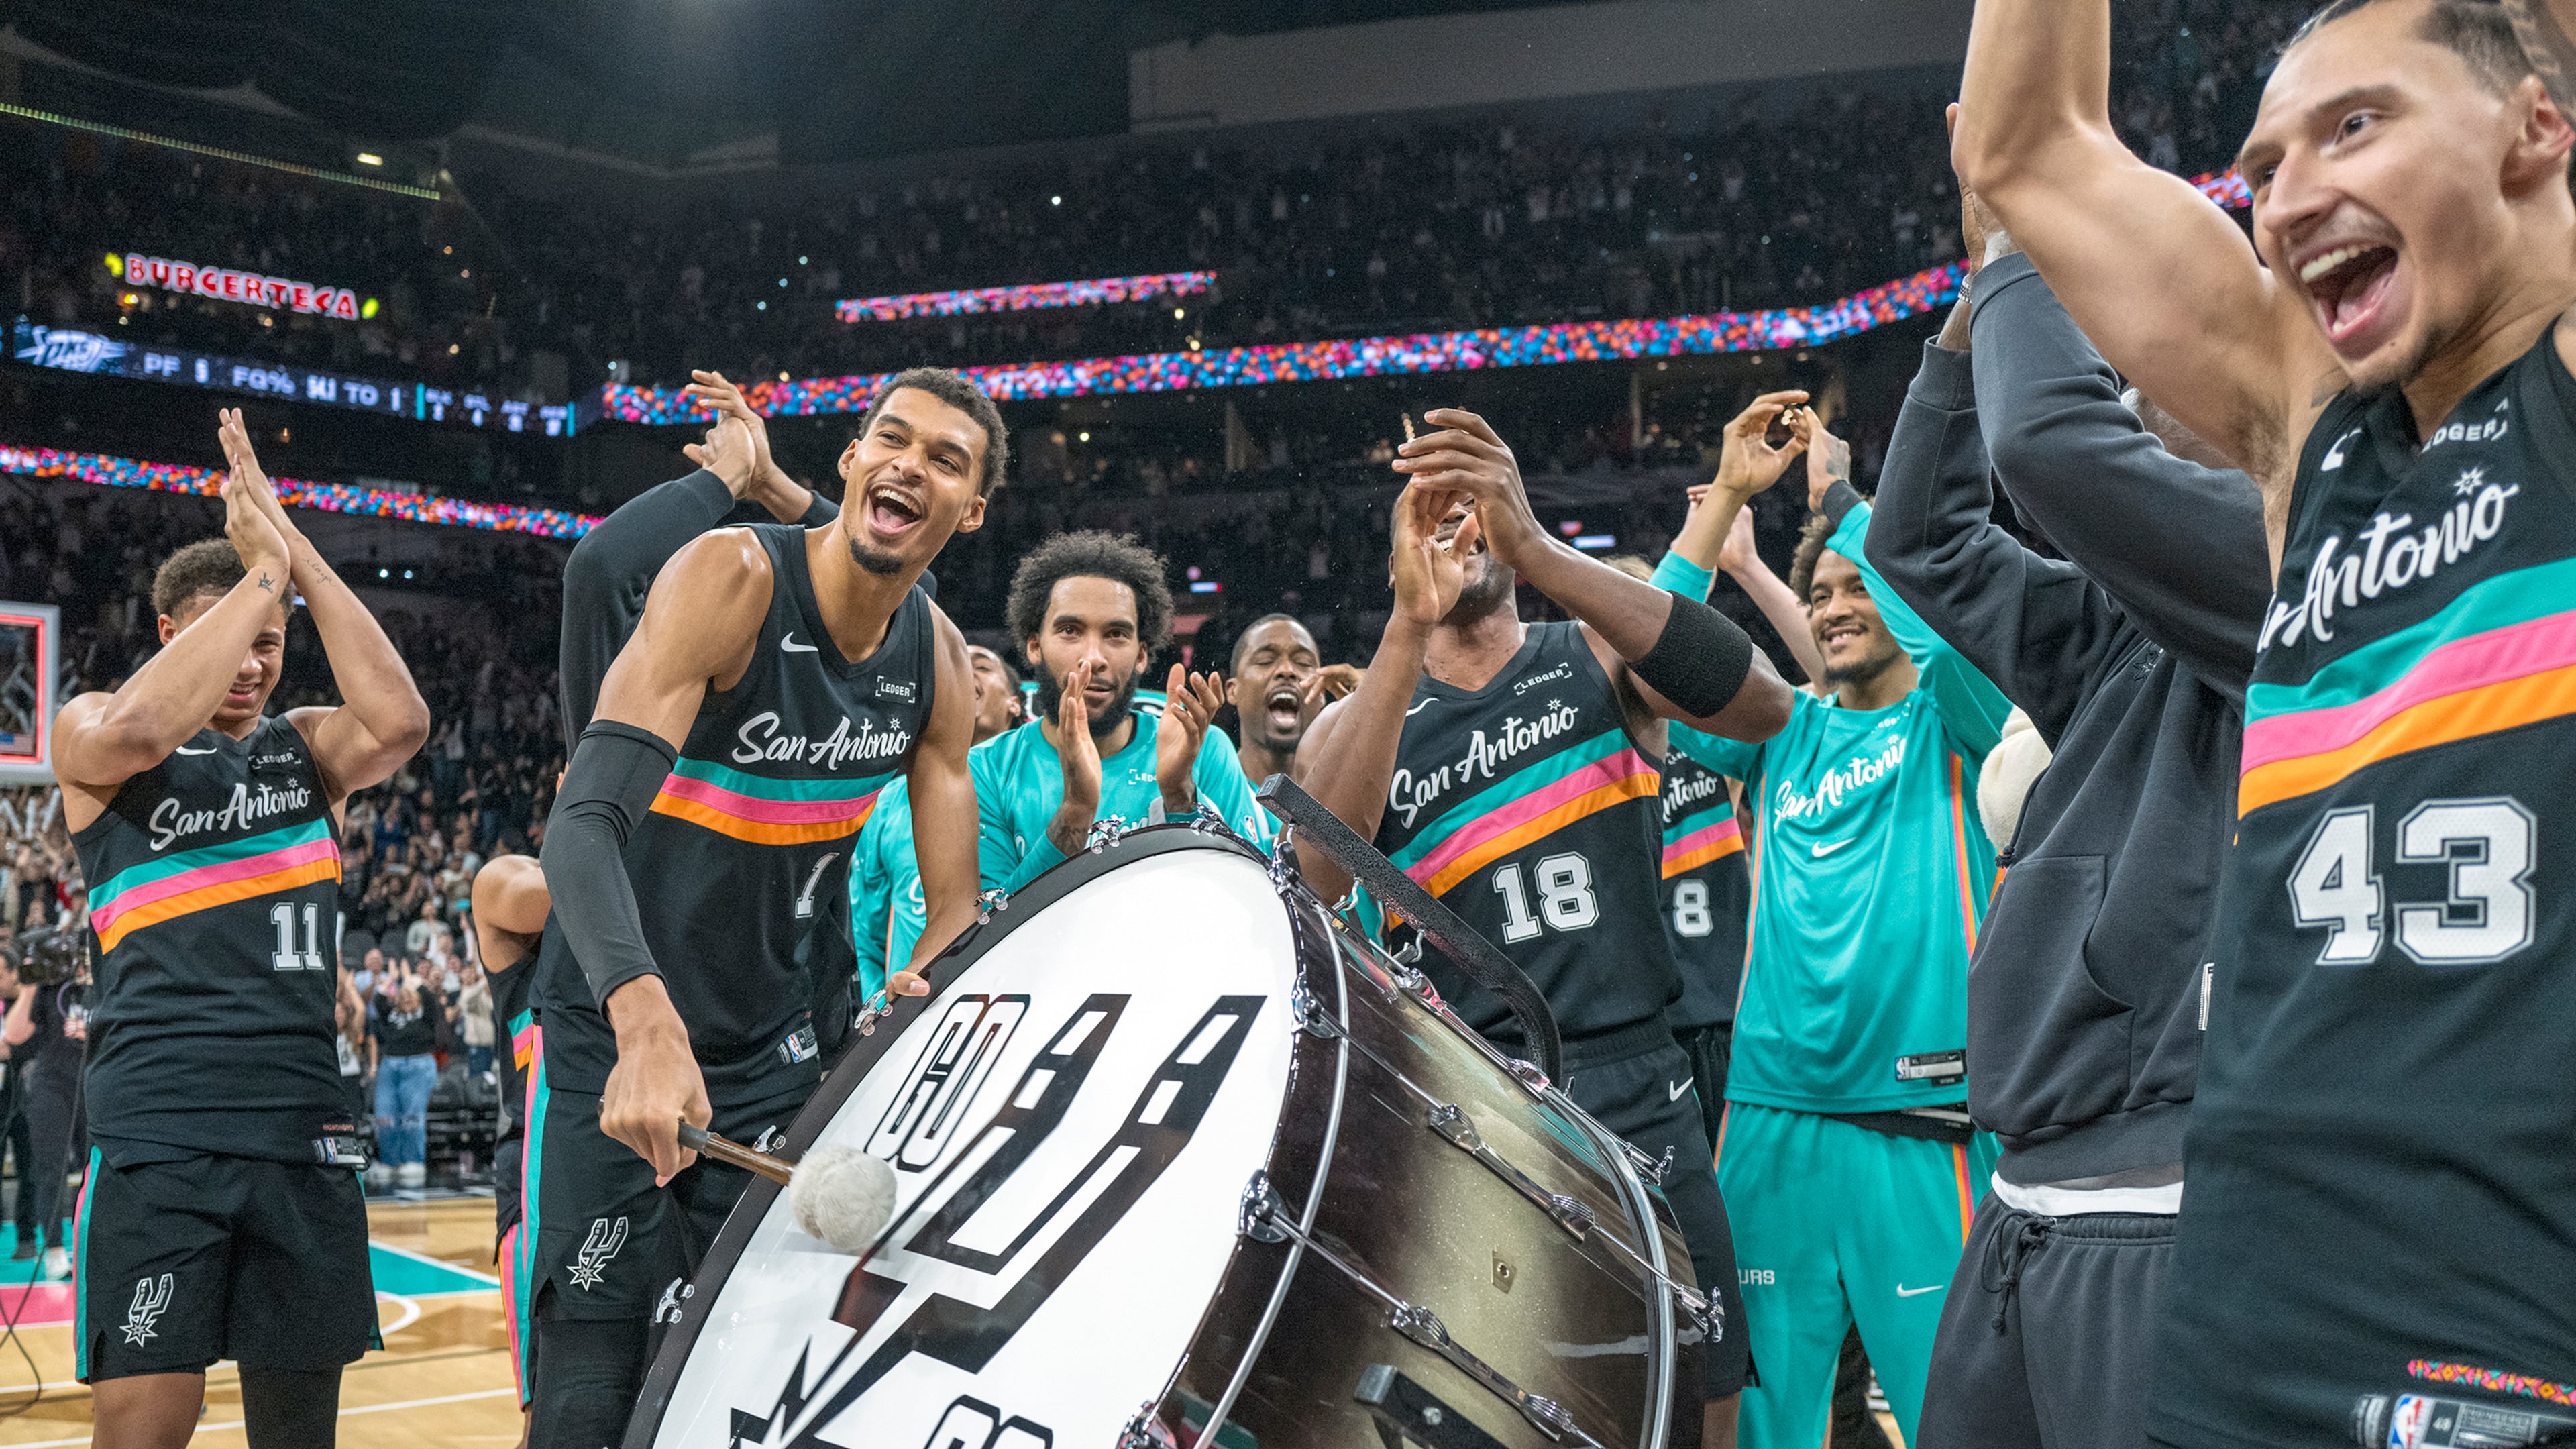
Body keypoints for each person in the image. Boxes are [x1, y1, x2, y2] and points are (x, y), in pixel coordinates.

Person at [1957, 1, 2576, 1440]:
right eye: (2265, 164)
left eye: (2354, 124)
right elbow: (2025, 150)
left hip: (2517, 1320)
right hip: (2256, 1303)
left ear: (2541, 124)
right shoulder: (2314, 440)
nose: (2289, 194)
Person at [1299, 407, 1795, 1445]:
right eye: (1430, 516)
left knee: (1701, 1383)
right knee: (1515, 1394)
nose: (1458, 529)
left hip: (1641, 1079)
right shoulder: (1368, 718)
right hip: (1485, 1098)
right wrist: (1403, 623)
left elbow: (1763, 707)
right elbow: (1320, 867)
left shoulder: (1598, 659)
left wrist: (1540, 547)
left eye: (1475, 511)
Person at [1858, 188, 2267, 1447]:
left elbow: (2051, 447)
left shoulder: (2292, 574)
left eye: (2157, 368)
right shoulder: (2117, 634)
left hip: (2164, 1205)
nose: (2134, 392)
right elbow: (1918, 538)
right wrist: (1970, 317)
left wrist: (2017, 234)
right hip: (2029, 1189)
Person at [533, 368, 998, 1449]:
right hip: (623, 1029)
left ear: (970, 510)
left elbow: (953, 913)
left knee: (766, 1361)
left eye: (946, 460)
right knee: (589, 1385)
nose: (909, 466)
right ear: (848, 463)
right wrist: (643, 1026)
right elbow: (579, 826)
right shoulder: (729, 578)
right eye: (892, 438)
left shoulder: (933, 658)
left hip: (778, 1048)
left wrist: (910, 1017)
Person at [52, 409, 429, 1443]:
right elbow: (136, 726)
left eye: (273, 644)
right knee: (141, 1431)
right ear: (175, 634)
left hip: (302, 1126)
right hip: (159, 1130)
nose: (257, 665)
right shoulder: (94, 728)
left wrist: (293, 552)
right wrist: (259, 575)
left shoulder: (306, 749)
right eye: (239, 642)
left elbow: (401, 723)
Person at [1669, 400, 2014, 1449]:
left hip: (1926, 1120)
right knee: (1758, 1426)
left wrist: (1838, 504)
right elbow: (1647, 667)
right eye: (1819, 594)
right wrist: (1726, 514)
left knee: (1959, 1418)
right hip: (1773, 1117)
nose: (1834, 606)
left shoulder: (1959, 721)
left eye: (1857, 586)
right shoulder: (1781, 730)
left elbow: (1941, 622)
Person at [973, 531, 1260, 898]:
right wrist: (1076, 811)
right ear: (1034, 646)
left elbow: (1249, 902)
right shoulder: (986, 770)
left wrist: (1180, 798)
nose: (1094, 657)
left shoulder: (1204, 750)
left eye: (1116, 634)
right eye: (1070, 631)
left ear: (1142, 655)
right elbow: (986, 936)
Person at [849, 643, 1021, 1001]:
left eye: (982, 666)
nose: (962, 670)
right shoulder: (886, 802)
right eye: (953, 663)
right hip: (914, 1016)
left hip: (1008, 996)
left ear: (1015, 703)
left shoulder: (1030, 791)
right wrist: (874, 1010)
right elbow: (867, 936)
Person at [470, 852, 550, 1437]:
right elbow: (539, 898)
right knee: (545, 1409)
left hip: (626, 1163)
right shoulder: (506, 880)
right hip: (531, 1169)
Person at [1224, 612, 1359, 785]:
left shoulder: (1347, 794)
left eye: (1303, 663)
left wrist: (1373, 707)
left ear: (1321, 694)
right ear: (1233, 691)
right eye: (1266, 661)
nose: (1287, 670)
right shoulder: (1204, 789)